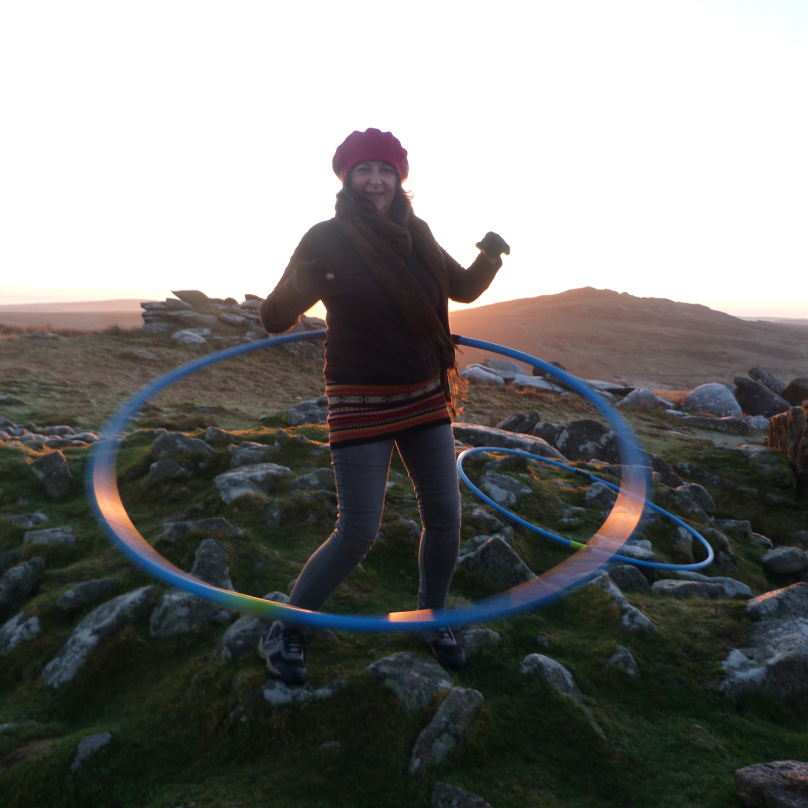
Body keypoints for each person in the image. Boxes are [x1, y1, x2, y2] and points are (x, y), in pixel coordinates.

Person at [257, 128, 509, 684]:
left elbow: (461, 288)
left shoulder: (416, 233)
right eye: (364, 170)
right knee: (357, 532)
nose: (376, 180)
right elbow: (274, 318)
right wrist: (301, 288)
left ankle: (429, 617)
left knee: (445, 521)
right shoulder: (324, 237)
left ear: (400, 179)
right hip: (360, 398)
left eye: (386, 171)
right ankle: (287, 630)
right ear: (346, 178)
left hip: (423, 394)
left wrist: (489, 256)